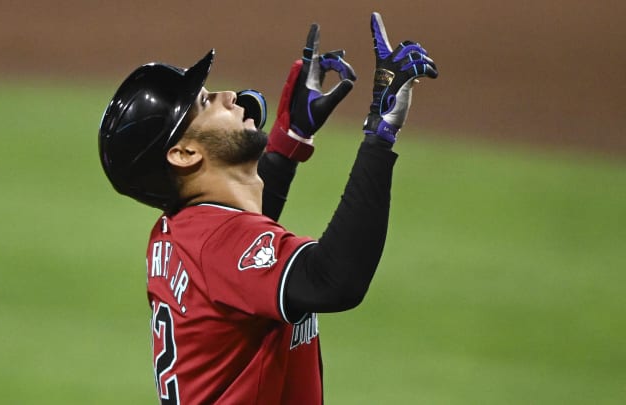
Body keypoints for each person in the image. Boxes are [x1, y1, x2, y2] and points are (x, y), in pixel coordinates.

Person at [98, 12, 437, 405]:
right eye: (206, 102)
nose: (229, 96)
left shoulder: (178, 233)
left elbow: (239, 248)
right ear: (184, 153)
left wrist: (290, 139)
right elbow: (332, 281)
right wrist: (380, 134)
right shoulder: (216, 244)